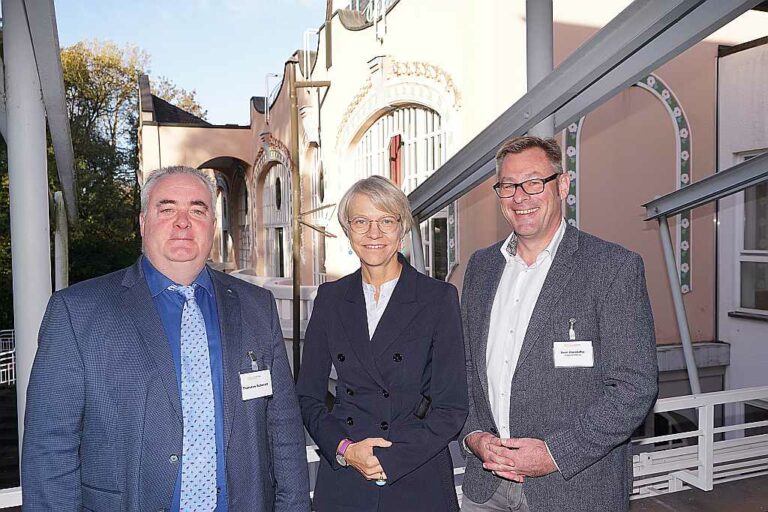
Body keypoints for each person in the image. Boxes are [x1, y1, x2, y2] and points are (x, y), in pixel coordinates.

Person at [22, 166, 310, 511]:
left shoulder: (257, 306)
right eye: (167, 208)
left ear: (212, 226)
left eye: (197, 210)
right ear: (143, 222)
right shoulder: (78, 312)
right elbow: (50, 446)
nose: (183, 222)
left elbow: (283, 428)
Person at [459, 136, 658, 512]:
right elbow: (467, 368)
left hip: (574, 490)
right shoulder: (481, 268)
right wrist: (473, 436)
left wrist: (554, 454)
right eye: (508, 186)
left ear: (562, 185)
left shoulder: (612, 267)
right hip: (486, 487)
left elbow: (634, 387)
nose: (520, 197)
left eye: (534, 183)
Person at [297, 175, 468, 511]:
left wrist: (389, 460)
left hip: (416, 474)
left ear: (402, 228)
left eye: (386, 221)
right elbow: (307, 396)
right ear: (347, 230)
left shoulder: (438, 298)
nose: (373, 233)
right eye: (361, 221)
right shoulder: (330, 299)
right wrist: (345, 450)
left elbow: (451, 407)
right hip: (345, 476)